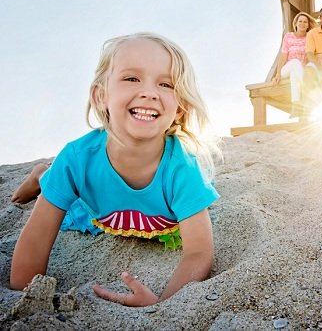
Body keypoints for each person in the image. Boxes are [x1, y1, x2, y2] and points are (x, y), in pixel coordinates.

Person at [10, 32, 220, 307]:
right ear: (100, 96)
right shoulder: (76, 159)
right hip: (97, 212)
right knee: (63, 202)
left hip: (148, 222)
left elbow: (199, 251)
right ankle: (42, 176)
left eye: (166, 84)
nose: (149, 92)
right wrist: (27, 300)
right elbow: (37, 238)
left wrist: (161, 303)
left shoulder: (183, 167)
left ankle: (46, 176)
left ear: (179, 108)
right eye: (132, 78)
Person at [272, 12, 317, 117]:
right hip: (286, 68)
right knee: (295, 63)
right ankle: (306, 91)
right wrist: (278, 74)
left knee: (295, 74)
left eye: (305, 22)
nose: (302, 23)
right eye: (300, 21)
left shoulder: (309, 38)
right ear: (295, 23)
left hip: (299, 70)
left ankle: (296, 106)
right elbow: (283, 55)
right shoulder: (288, 36)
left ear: (308, 25)